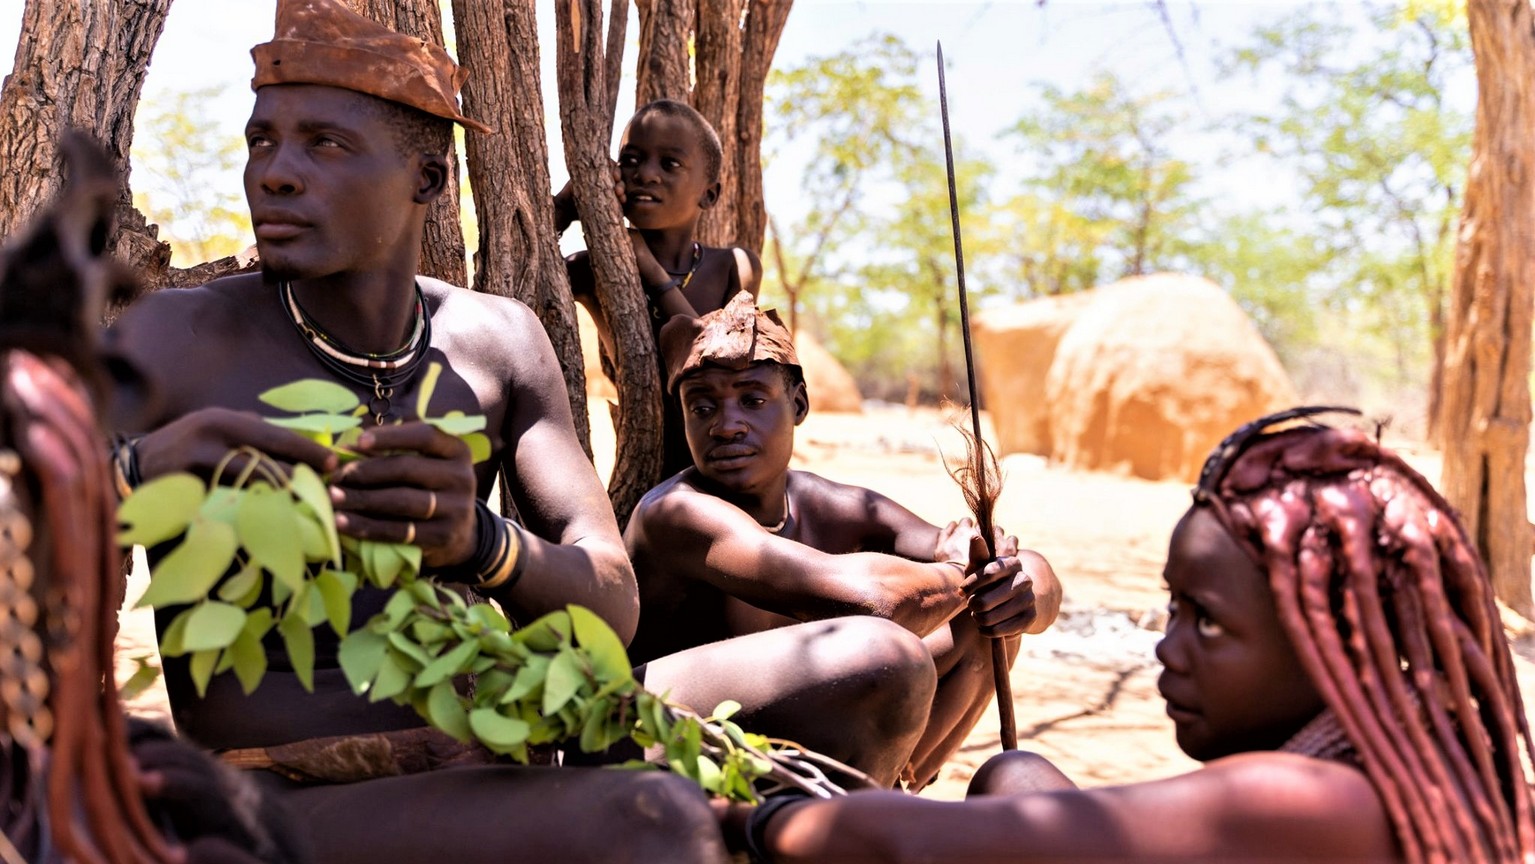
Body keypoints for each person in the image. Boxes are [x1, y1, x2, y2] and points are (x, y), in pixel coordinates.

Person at [107, 2, 931, 860]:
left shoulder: (497, 340)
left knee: (876, 665)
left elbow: (610, 600)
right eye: (261, 141)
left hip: (511, 722)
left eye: (325, 143)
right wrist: (137, 469)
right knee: (649, 822)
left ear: (427, 179)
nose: (274, 173)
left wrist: (481, 542)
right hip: (281, 788)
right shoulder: (173, 339)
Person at [721, 407, 1535, 863]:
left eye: (1208, 623)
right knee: (1017, 775)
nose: (1166, 649)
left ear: (1339, 646)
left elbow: (903, 844)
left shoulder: (1310, 801)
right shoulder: (1407, 753)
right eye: (1173, 610)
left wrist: (752, 812)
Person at [625, 291, 1063, 790]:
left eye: (752, 400)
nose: (726, 426)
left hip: (771, 738)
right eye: (702, 407)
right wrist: (967, 575)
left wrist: (1022, 591)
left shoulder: (824, 502)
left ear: (798, 404)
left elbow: (1015, 562)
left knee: (990, 621)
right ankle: (854, 821)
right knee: (890, 652)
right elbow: (877, 602)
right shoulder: (677, 514)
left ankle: (891, 791)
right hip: (662, 740)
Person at [559, 99, 763, 478]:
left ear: (709, 194)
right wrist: (565, 206)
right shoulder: (590, 269)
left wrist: (650, 270)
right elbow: (518, 274)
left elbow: (714, 363)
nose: (645, 174)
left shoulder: (735, 267)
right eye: (631, 160)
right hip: (645, 471)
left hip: (722, 467)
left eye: (669, 164)